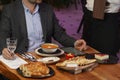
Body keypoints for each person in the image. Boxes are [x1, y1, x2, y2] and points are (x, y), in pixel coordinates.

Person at [0, 0, 86, 60]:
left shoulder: (47, 9)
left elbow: (58, 33)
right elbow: (3, 34)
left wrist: (74, 42)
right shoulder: (10, 10)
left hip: (45, 57)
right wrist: (4, 48)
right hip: (22, 58)